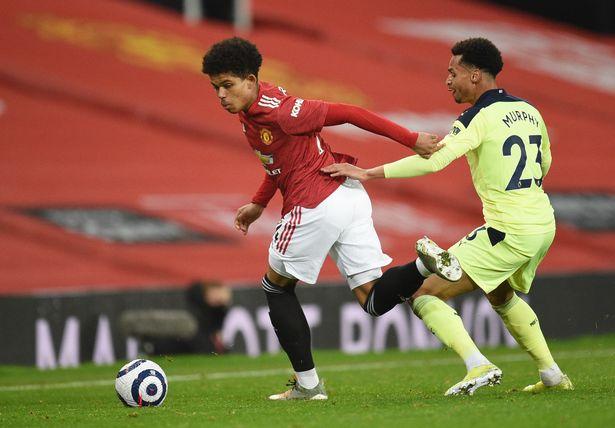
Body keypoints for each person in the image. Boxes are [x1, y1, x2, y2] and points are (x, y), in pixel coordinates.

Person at [202, 37, 461, 400]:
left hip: (315, 203)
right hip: (347, 198)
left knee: (276, 287)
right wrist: (259, 203)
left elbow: (350, 113)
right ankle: (422, 265)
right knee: (372, 300)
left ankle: (308, 386)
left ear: (250, 80)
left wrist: (410, 139)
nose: (221, 95)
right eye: (215, 87)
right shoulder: (253, 110)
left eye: (227, 85)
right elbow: (278, 161)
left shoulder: (282, 111)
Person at [323, 37, 573, 396]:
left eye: (453, 73)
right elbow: (544, 162)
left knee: (423, 291)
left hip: (508, 230)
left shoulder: (477, 117)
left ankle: (478, 365)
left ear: (475, 75)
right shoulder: (530, 111)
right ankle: (551, 375)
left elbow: (435, 161)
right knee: (500, 293)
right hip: (543, 223)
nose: (448, 81)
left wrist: (367, 173)